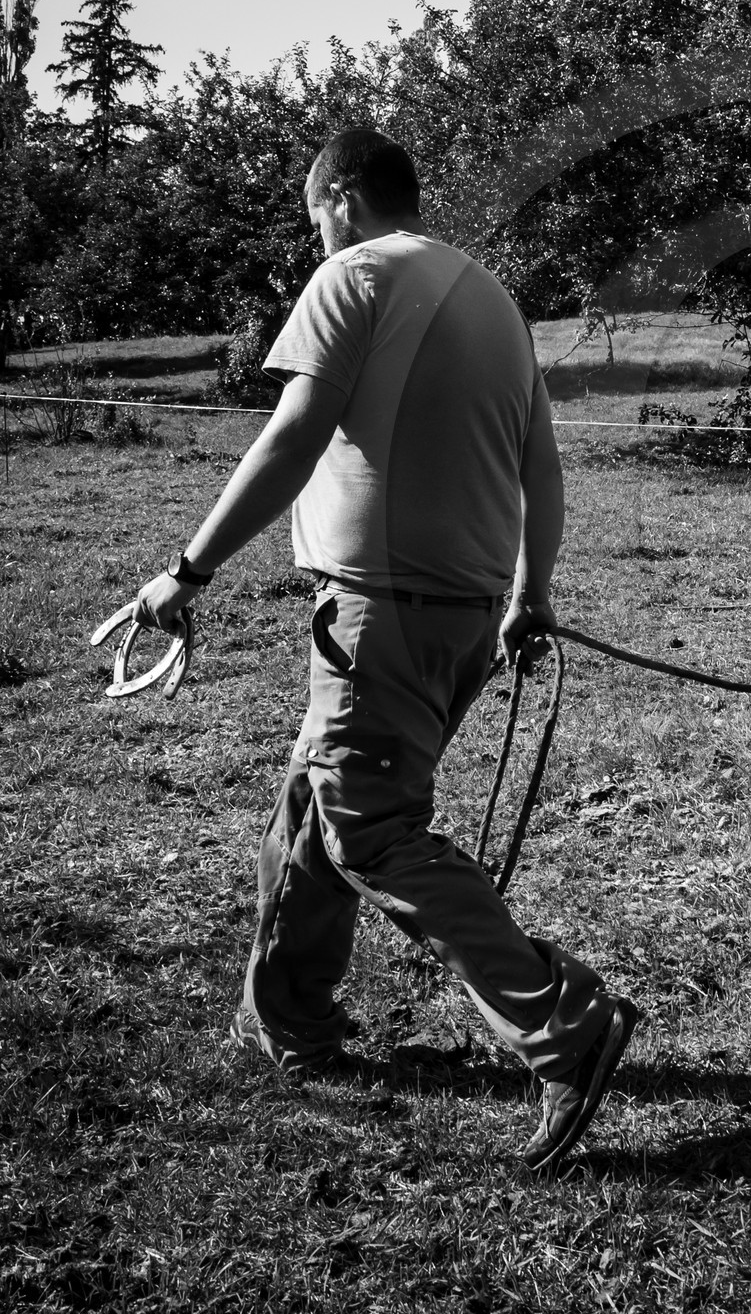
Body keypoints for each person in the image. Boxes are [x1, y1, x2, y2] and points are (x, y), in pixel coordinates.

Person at [133, 128, 635, 1170]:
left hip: (383, 611)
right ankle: (290, 1026)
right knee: (314, 809)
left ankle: (564, 1023)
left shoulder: (354, 274)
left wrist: (187, 569)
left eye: (315, 214)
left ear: (344, 199)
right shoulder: (490, 296)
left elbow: (293, 431)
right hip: (464, 614)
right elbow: (541, 463)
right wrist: (529, 592)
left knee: (367, 824)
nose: (315, 234)